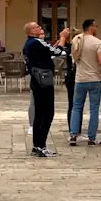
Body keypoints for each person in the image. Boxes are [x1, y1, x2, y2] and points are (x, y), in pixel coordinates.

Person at [23, 22, 69, 157]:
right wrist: (63, 38)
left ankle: (37, 145)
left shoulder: (29, 44)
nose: (41, 28)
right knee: (47, 113)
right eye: (37, 27)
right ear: (32, 30)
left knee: (39, 112)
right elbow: (58, 52)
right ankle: (41, 145)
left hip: (36, 80)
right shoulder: (37, 42)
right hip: (44, 81)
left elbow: (47, 52)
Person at [69, 19, 101, 146]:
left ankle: (73, 135)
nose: (96, 28)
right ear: (91, 27)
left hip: (80, 78)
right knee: (94, 109)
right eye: (95, 26)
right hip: (95, 78)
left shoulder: (76, 40)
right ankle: (92, 137)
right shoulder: (98, 43)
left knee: (76, 107)